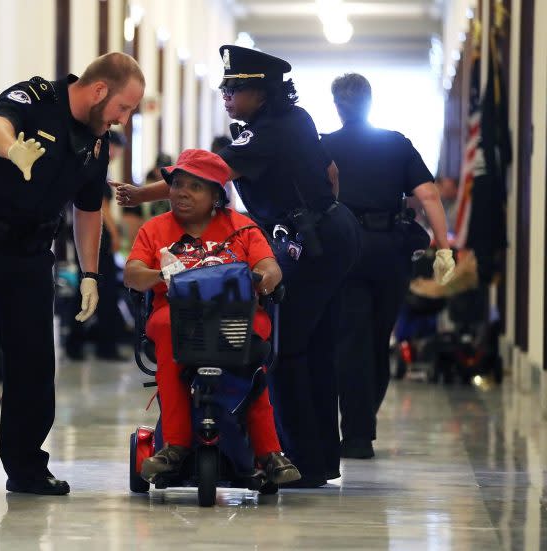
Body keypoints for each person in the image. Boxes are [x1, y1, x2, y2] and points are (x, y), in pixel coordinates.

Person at [115, 46, 361, 488]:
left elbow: (207, 176)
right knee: (319, 347)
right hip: (334, 229)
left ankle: (296, 459)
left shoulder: (264, 133)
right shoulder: (298, 118)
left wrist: (138, 194)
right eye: (225, 87)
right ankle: (322, 459)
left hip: (309, 239)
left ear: (263, 94)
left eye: (238, 88)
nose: (228, 95)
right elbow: (332, 172)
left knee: (286, 351)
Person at [0, 52, 145, 495]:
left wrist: (91, 275)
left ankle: (26, 468)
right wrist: (13, 149)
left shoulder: (95, 140)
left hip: (28, 253)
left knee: (33, 362)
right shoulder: (36, 98)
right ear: (100, 91)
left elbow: (87, 210)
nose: (123, 120)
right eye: (124, 108)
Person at [123, 149, 300, 485]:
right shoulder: (155, 229)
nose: (181, 192)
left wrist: (262, 277)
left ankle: (269, 453)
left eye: (195, 186)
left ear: (217, 196)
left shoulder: (242, 228)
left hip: (235, 316)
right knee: (172, 349)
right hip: (176, 319)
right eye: (177, 184)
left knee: (253, 371)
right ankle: (174, 446)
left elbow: (269, 267)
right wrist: (159, 277)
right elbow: (133, 273)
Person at [321, 73, 455, 459]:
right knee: (378, 339)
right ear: (370, 102)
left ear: (337, 105)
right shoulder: (396, 144)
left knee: (350, 339)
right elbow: (428, 195)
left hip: (344, 250)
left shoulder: (325, 146)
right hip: (389, 252)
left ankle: (356, 433)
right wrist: (444, 248)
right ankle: (363, 426)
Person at [64, 130, 127, 360]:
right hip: (98, 236)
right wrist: (114, 233)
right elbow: (101, 207)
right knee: (105, 290)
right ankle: (102, 346)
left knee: (88, 286)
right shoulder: (97, 165)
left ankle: (77, 343)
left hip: (87, 234)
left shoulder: (89, 162)